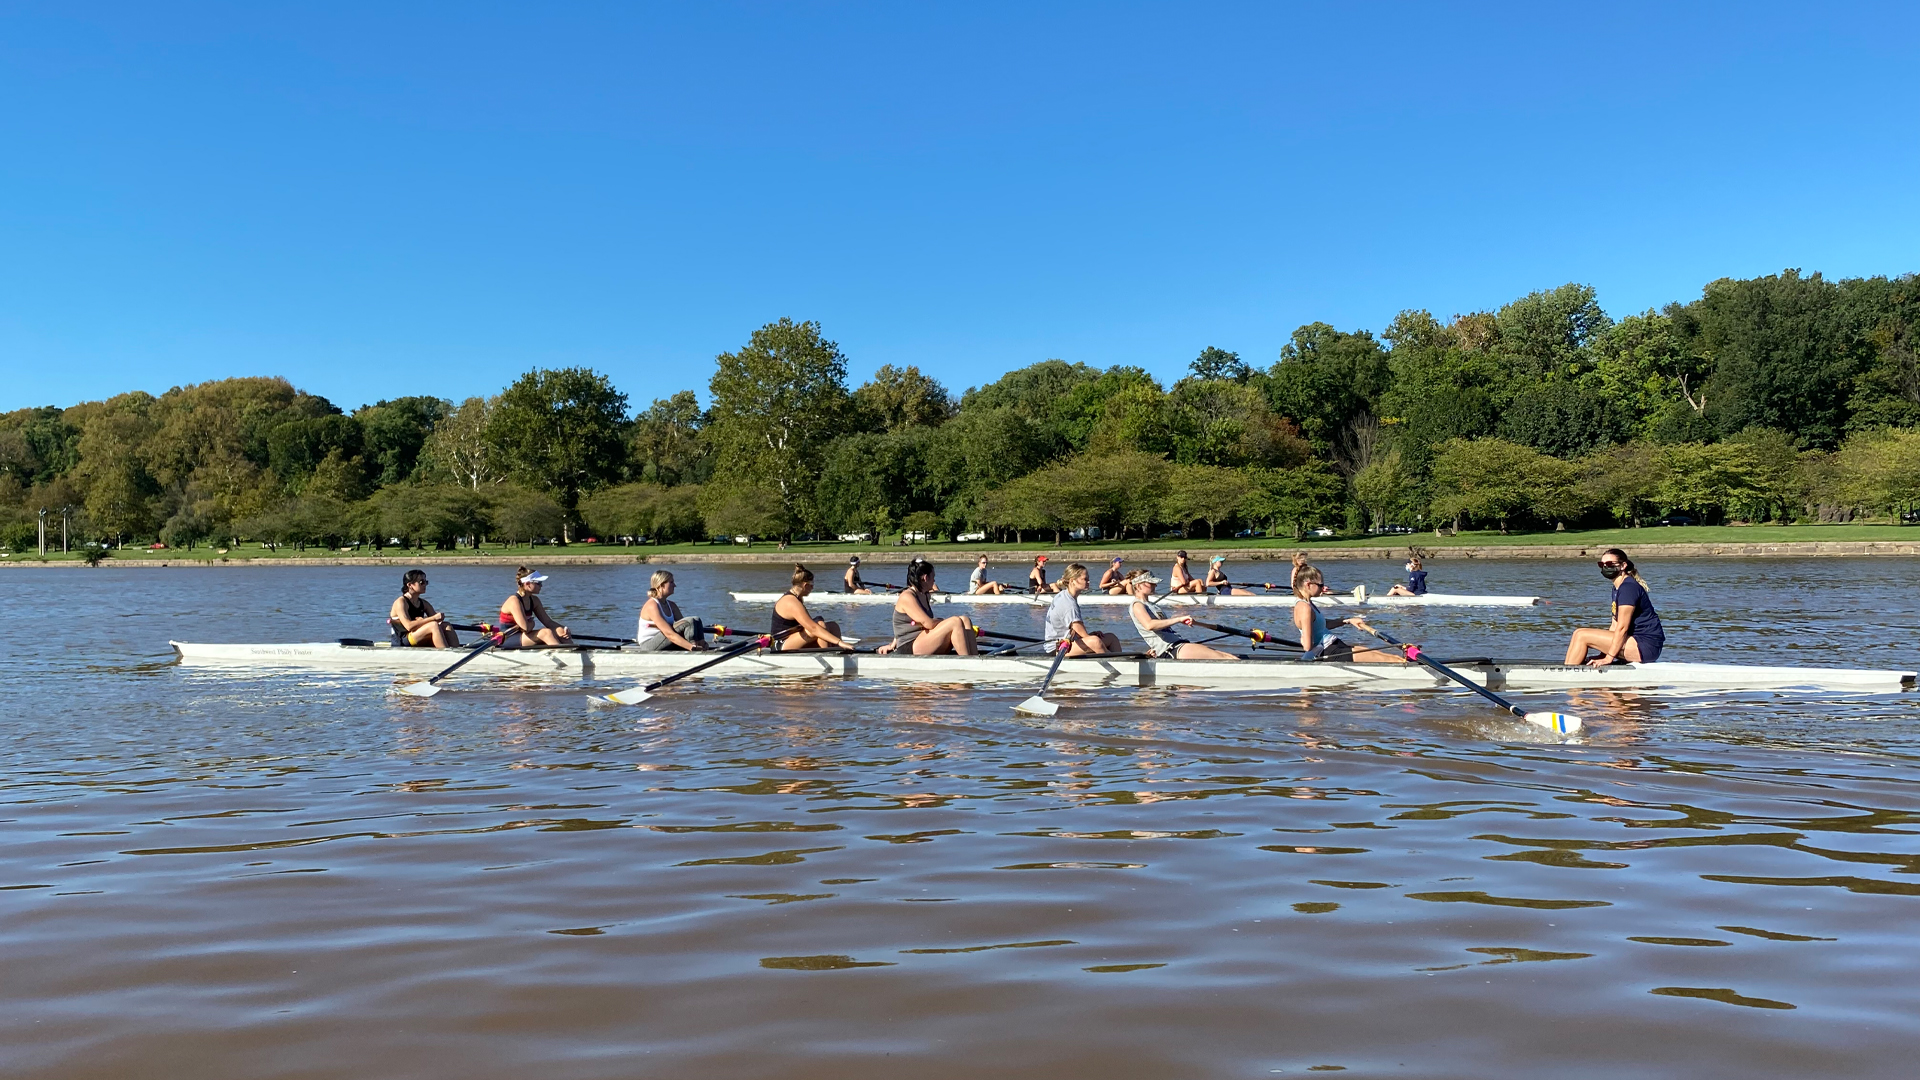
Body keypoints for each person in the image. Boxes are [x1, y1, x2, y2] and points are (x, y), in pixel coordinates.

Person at [1565, 548, 1665, 666]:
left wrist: (1609, 658)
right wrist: (1602, 655)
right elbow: (1614, 625)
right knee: (1579, 633)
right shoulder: (1618, 588)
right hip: (1633, 642)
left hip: (1646, 646)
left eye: (1609, 564)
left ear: (1623, 566)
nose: (1605, 567)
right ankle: (1570, 668)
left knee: (1581, 635)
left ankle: (1568, 673)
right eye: (1602, 564)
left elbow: (1622, 628)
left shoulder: (1628, 588)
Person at [1291, 564, 1403, 663]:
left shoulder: (1308, 603)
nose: (1323, 588)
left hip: (1334, 645)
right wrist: (1304, 639)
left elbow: (1322, 625)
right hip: (1328, 651)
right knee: (1391, 660)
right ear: (1308, 585)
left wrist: (1347, 621)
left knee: (1392, 657)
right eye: (1320, 585)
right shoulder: (1304, 608)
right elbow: (1307, 646)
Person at [1127, 571, 1238, 660]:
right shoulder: (1137, 605)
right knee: (1225, 658)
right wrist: (1179, 619)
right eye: (1151, 583)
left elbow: (1156, 632)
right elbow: (1149, 625)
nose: (1155, 585)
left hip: (1177, 644)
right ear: (1138, 585)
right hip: (1170, 649)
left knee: (1228, 656)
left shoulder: (1151, 605)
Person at [878, 559, 978, 656]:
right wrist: (942, 621)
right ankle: (967, 663)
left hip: (923, 639)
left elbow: (905, 625)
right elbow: (929, 624)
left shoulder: (925, 595)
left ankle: (974, 659)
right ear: (925, 578)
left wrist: (892, 643)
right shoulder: (907, 596)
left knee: (965, 620)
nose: (934, 580)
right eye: (933, 577)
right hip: (909, 645)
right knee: (956, 622)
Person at [1042, 563, 1122, 657]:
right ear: (1072, 581)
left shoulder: (1065, 595)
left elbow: (1076, 631)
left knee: (1112, 638)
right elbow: (1077, 627)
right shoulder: (1068, 603)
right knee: (1095, 642)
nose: (1088, 581)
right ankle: (1118, 665)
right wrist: (1089, 637)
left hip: (1069, 641)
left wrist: (1089, 635)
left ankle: (1120, 660)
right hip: (1058, 648)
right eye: (1085, 579)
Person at [773, 565, 849, 650]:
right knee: (820, 625)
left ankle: (837, 652)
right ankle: (828, 654)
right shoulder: (791, 602)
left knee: (833, 626)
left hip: (793, 636)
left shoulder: (798, 598)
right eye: (812, 584)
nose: (813, 587)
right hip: (780, 643)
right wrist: (839, 641)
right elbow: (813, 628)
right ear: (805, 585)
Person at [633, 570, 707, 652]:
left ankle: (701, 646)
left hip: (665, 641)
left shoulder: (672, 605)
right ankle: (694, 650)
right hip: (649, 645)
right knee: (689, 621)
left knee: (695, 620)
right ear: (661, 585)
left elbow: (687, 628)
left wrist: (702, 641)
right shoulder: (652, 606)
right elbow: (669, 633)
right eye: (671, 582)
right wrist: (690, 647)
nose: (675, 585)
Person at [498, 567, 572, 648]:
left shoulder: (534, 600)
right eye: (538, 583)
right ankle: (562, 655)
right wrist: (532, 623)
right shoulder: (514, 601)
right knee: (546, 633)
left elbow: (548, 622)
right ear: (527, 584)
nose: (541, 586)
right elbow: (526, 628)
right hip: (508, 637)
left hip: (524, 636)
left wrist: (563, 629)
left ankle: (575, 655)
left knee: (561, 632)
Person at [389, 569, 460, 648]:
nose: (425, 585)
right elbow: (408, 626)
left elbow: (438, 620)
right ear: (409, 585)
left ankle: (457, 652)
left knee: (446, 625)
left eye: (426, 582)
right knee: (433, 625)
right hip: (402, 640)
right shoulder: (401, 602)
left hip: (416, 635)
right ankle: (445, 653)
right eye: (421, 582)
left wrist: (438, 618)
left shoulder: (424, 603)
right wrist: (430, 619)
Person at [1202, 555, 1278, 596]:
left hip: (1228, 589)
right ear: (1215, 562)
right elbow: (1208, 583)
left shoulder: (1219, 571)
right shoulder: (1212, 571)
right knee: (1250, 594)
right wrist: (1221, 582)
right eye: (1220, 561)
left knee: (1250, 594)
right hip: (1226, 591)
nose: (1222, 562)